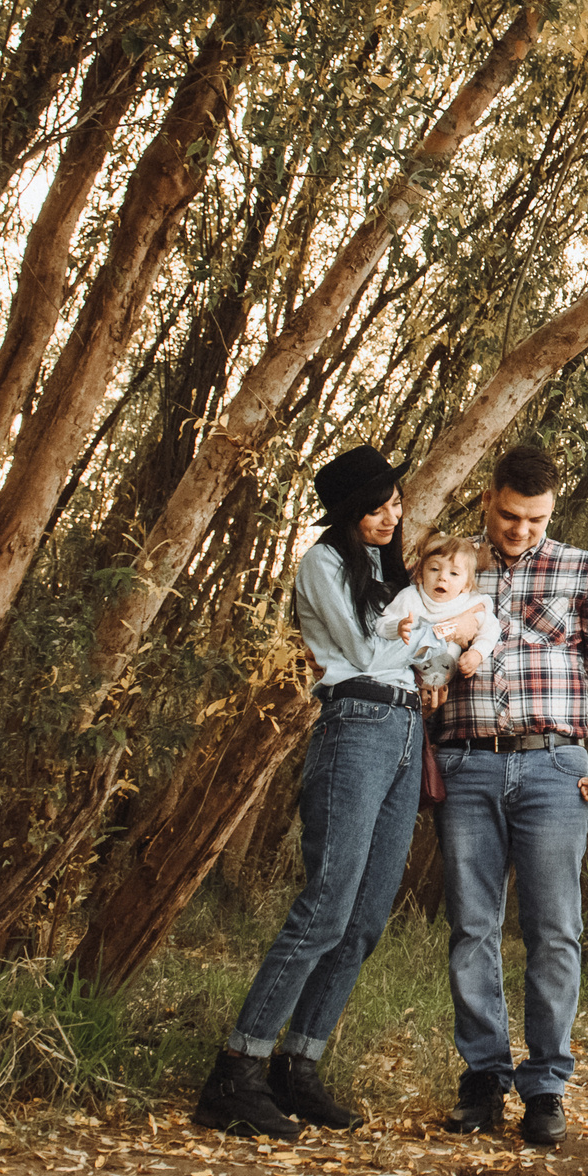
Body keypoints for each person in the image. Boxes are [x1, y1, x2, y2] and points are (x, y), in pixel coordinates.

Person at [194, 444, 424, 1139]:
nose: (393, 514)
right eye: (378, 506)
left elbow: (429, 647)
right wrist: (428, 638)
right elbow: (361, 649)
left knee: (367, 916)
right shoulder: (321, 563)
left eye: (394, 501)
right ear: (349, 512)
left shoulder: (394, 569)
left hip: (409, 731)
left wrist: (427, 640)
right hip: (354, 721)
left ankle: (299, 1065)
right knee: (326, 904)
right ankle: (236, 1070)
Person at [433, 443, 588, 1146]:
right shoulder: (452, 566)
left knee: (554, 929)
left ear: (554, 508)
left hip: (555, 767)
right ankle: (484, 1077)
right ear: (489, 496)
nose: (521, 529)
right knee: (472, 927)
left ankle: (546, 1084)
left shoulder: (584, 569)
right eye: (511, 515)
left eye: (537, 518)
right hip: (465, 763)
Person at [387, 533, 501, 685]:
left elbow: (491, 629)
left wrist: (477, 653)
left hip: (446, 680)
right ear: (420, 575)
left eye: (454, 573)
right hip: (406, 679)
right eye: (434, 569)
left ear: (466, 585)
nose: (443, 577)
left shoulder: (470, 605)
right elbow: (383, 624)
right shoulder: (410, 598)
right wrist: (397, 627)